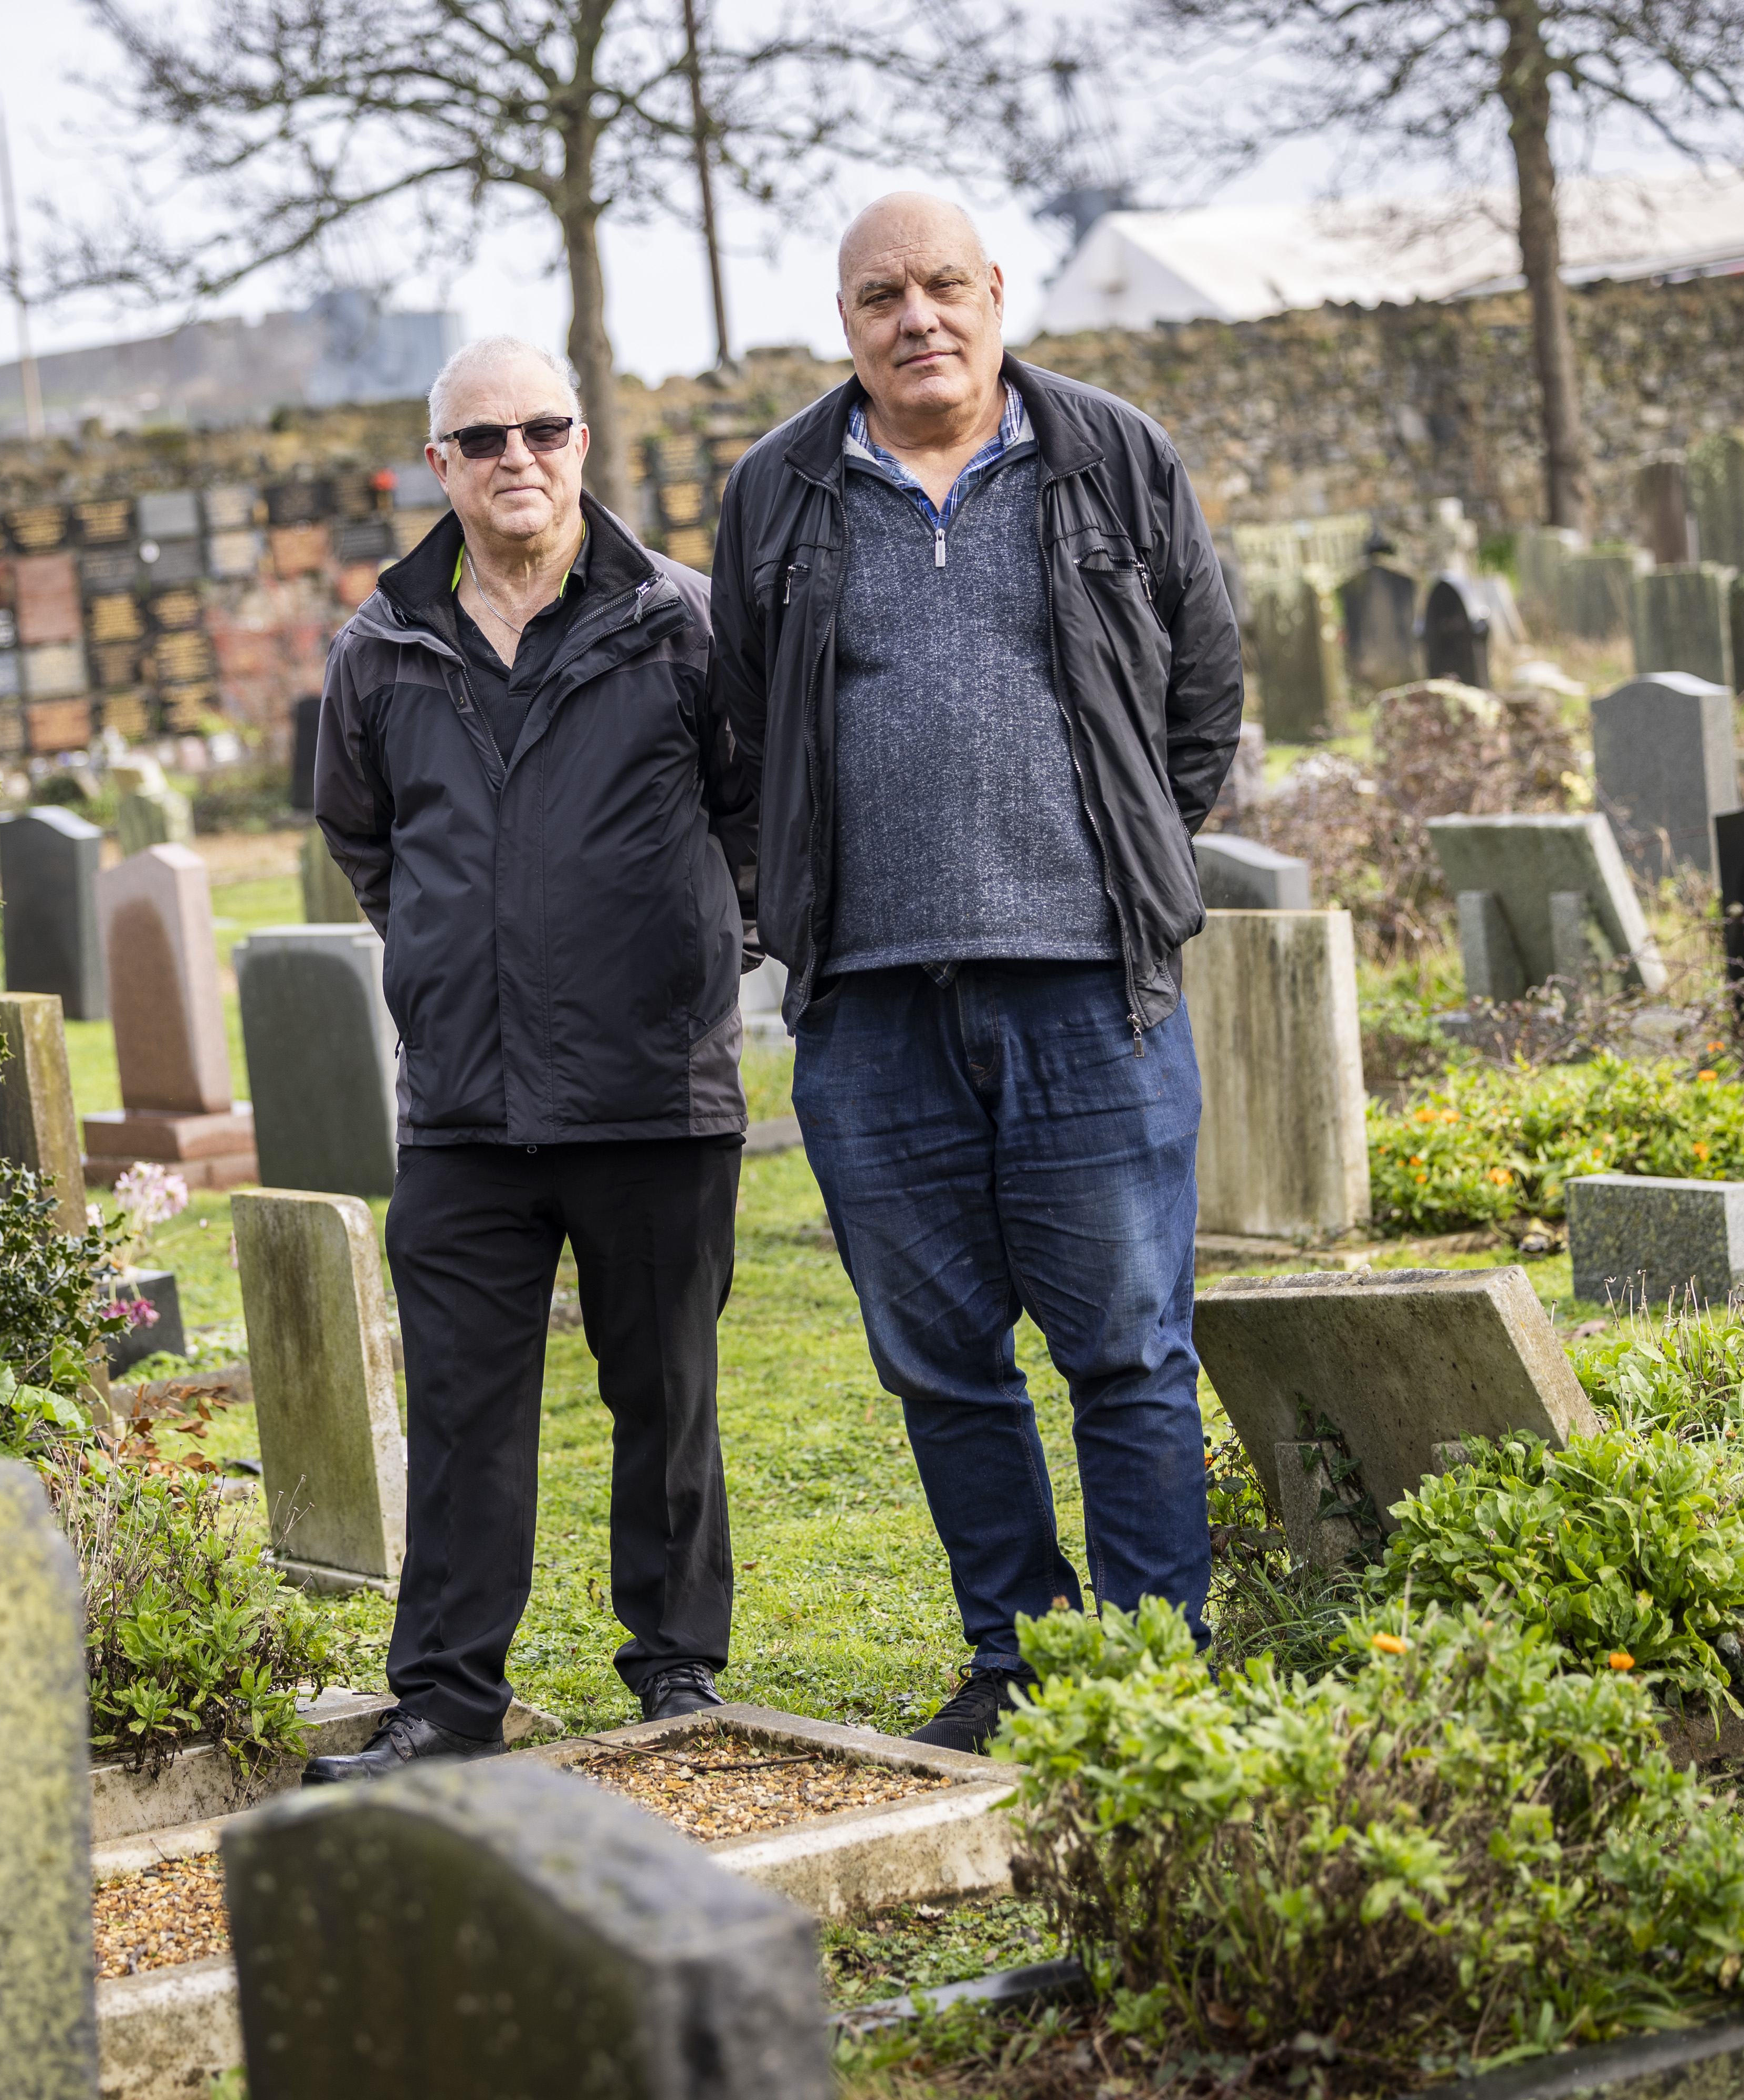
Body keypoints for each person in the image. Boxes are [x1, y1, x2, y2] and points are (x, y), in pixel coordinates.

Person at [707, 194, 1244, 1752]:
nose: (917, 317)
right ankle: (1016, 1662)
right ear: (847, 320)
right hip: (871, 1012)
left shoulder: (1116, 459)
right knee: (940, 1364)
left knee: (1128, 1350)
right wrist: (793, 903)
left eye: (944, 285)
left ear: (998, 292)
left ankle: (1151, 1680)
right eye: (882, 295)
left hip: (1093, 994)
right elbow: (743, 738)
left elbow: (1198, 702)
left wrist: (1118, 865)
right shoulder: (781, 492)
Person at [301, 335, 758, 1782]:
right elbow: (366, 840)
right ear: (438, 466)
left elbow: (754, 817)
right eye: (483, 439)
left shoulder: (684, 623)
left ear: (580, 445)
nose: (518, 460)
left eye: (542, 432)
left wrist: (689, 957)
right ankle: (445, 1700)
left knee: (666, 1399)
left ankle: (678, 1675)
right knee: (461, 1414)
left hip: (653, 1092)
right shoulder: (381, 649)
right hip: (467, 1110)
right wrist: (456, 967)